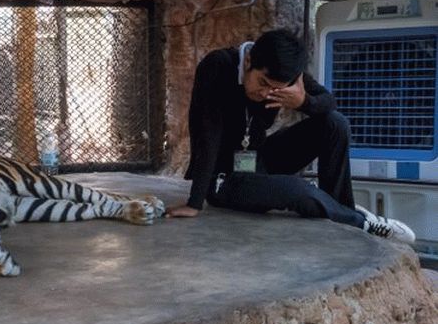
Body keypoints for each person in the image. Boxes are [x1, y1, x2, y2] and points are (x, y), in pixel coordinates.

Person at [165, 29, 415, 244]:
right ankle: (361, 223)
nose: (265, 93)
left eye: (275, 89)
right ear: (250, 61)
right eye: (262, 83)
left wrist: (304, 101)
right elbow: (208, 134)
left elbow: (329, 102)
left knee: (335, 124)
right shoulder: (218, 65)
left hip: (259, 160)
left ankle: (340, 211)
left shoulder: (285, 71)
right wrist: (195, 202)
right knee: (297, 189)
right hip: (225, 179)